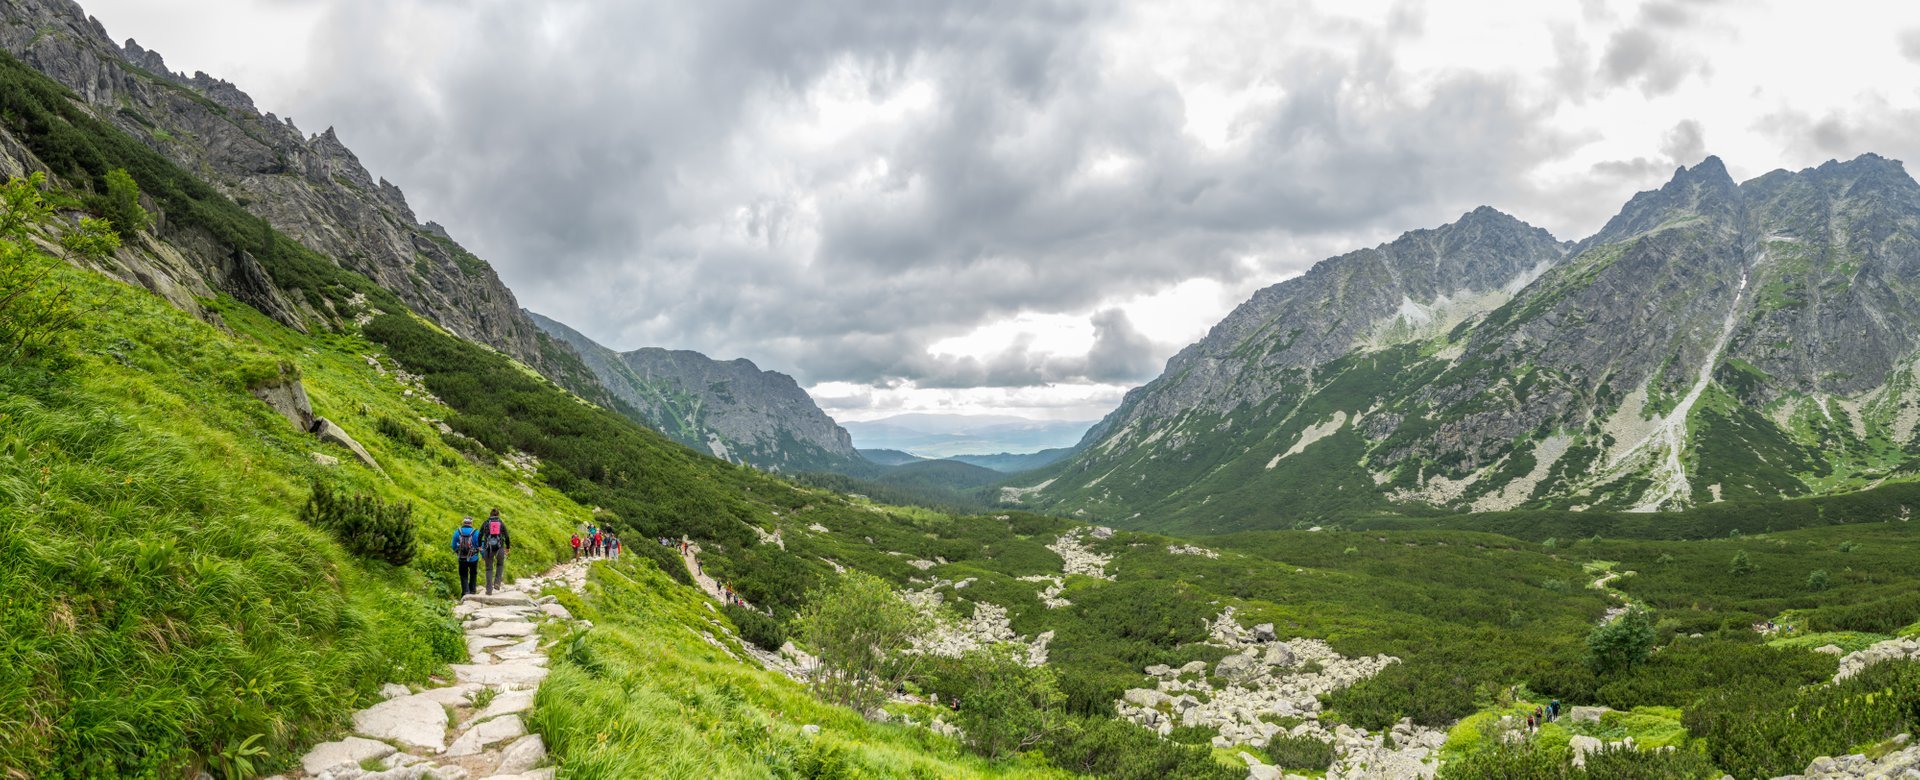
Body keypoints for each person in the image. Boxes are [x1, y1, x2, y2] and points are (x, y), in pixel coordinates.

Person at [481, 507, 512, 594]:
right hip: (500, 548)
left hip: (488, 548)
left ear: (490, 514)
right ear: (498, 515)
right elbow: (507, 536)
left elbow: (480, 535)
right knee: (500, 565)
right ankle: (497, 583)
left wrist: (480, 546)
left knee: (489, 569)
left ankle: (489, 589)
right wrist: (508, 547)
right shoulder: (501, 523)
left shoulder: (486, 523)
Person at [451, 516, 481, 596]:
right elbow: (481, 545)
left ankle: (466, 592)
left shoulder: (458, 532)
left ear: (463, 522)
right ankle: (473, 591)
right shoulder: (476, 532)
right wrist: (483, 555)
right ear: (471, 523)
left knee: (463, 575)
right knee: (473, 574)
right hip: (473, 558)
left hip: (461, 558)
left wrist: (457, 552)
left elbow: (453, 545)